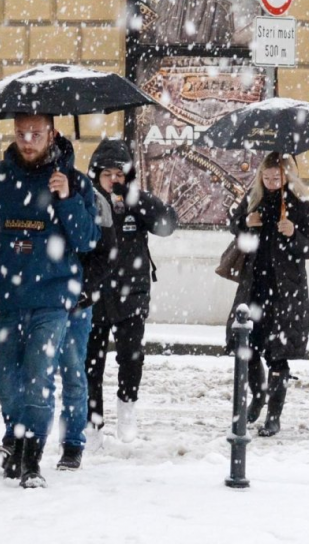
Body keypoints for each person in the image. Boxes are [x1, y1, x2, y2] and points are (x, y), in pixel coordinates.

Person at [0, 114, 98, 488]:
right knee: (3, 377)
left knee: (39, 377)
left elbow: (86, 240)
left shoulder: (75, 182)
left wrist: (66, 199)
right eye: (20, 133)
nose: (27, 141)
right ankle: (16, 433)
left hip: (52, 298)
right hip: (3, 297)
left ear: (52, 134)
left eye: (35, 133)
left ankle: (31, 455)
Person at [84, 139, 178, 446]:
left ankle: (127, 408)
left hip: (132, 292)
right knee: (90, 363)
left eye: (119, 174)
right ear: (96, 174)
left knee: (131, 358)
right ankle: (92, 421)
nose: (113, 180)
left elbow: (166, 225)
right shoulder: (86, 202)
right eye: (107, 174)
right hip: (94, 293)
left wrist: (135, 198)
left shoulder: (136, 202)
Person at [226, 152, 309, 437]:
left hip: (285, 293)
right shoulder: (253, 199)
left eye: (275, 178)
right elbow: (234, 225)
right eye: (266, 178)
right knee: (249, 349)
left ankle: (274, 416)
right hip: (254, 288)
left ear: (287, 177)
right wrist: (246, 222)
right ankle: (258, 395)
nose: (270, 183)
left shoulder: (302, 207)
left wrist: (293, 233)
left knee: (278, 356)